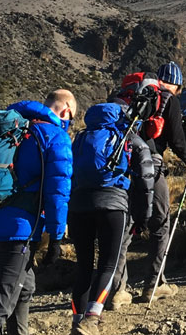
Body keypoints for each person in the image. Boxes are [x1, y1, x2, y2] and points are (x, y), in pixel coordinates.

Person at [0, 90, 75, 335]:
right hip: (19, 230)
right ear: (66, 110)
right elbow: (57, 191)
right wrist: (56, 236)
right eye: (72, 118)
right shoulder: (55, 136)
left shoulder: (1, 130)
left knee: (24, 287)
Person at [109, 63, 186, 302]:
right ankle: (154, 283)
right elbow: (178, 142)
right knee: (160, 223)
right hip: (151, 166)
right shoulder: (169, 100)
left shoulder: (126, 96)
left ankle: (118, 290)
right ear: (177, 85)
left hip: (122, 165)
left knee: (125, 226)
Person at [68, 98, 143, 334]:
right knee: (108, 264)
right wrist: (142, 212)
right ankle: (91, 319)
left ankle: (76, 321)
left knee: (83, 265)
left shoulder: (80, 137)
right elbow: (145, 173)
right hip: (113, 203)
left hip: (79, 204)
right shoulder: (125, 135)